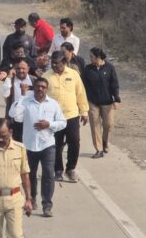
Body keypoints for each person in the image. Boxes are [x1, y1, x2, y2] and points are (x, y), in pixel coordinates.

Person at [9, 77, 66, 217]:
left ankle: (47, 205)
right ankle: (32, 199)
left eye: (43, 87)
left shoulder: (53, 104)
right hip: (29, 145)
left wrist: (49, 125)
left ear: (47, 89)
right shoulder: (26, 102)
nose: (40, 89)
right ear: (33, 88)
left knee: (48, 175)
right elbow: (15, 116)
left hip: (48, 145)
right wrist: (22, 96)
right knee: (30, 175)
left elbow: (62, 122)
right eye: (38, 86)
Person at [46, 51, 88, 183]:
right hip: (54, 118)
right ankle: (58, 170)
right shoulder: (47, 76)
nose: (54, 66)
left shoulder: (73, 74)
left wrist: (84, 111)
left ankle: (70, 169)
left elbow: (80, 93)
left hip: (72, 115)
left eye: (57, 64)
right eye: (52, 63)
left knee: (74, 141)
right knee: (56, 144)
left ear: (64, 63)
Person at [82, 47, 120, 159]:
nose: (90, 58)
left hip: (107, 101)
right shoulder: (87, 69)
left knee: (108, 124)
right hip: (92, 102)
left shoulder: (110, 68)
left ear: (98, 57)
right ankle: (98, 149)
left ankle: (105, 142)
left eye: (91, 56)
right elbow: (82, 85)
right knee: (95, 125)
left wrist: (116, 99)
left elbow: (114, 84)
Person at [0, 59, 35, 140]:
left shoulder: (34, 80)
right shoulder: (10, 81)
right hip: (14, 119)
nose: (21, 71)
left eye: (23, 68)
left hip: (31, 119)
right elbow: (4, 94)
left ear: (28, 68)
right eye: (18, 68)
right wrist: (9, 77)